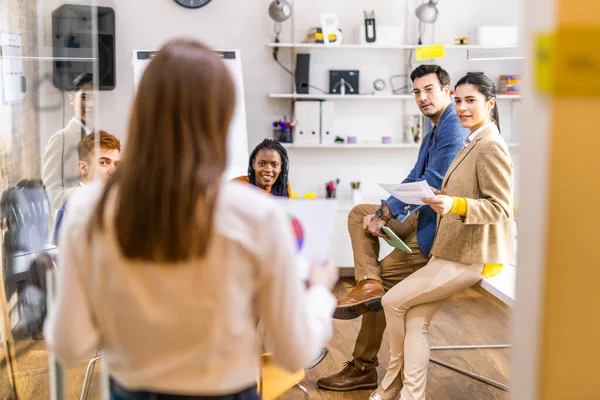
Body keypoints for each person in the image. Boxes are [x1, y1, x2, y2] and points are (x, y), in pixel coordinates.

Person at [44, 38, 338, 399]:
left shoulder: (89, 209)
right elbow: (293, 351)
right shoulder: (257, 214)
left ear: (142, 112)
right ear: (224, 118)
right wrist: (321, 292)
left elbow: (70, 345)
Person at [317, 65, 467, 391]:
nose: (422, 97)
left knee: (384, 287)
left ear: (447, 91)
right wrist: (382, 211)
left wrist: (386, 213)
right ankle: (367, 282)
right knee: (360, 214)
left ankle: (362, 366)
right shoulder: (433, 131)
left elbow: (433, 182)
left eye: (429, 89)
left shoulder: (453, 126)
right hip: (421, 215)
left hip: (438, 230)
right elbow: (414, 177)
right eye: (416, 92)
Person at [370, 73, 514, 400]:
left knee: (393, 301)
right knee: (416, 319)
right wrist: (441, 195)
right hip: (452, 250)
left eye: (470, 101)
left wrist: (454, 203)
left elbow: (501, 208)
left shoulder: (491, 145)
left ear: (490, 104)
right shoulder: (471, 139)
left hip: (472, 255)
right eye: (459, 100)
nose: (461, 108)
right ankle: (411, 395)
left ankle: (388, 387)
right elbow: (466, 192)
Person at [42, 72, 95, 224]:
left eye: (94, 98)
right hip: (71, 228)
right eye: (84, 97)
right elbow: (51, 194)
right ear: (71, 99)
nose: (90, 104)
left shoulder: (100, 138)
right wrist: (86, 193)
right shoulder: (60, 139)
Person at [52, 130, 121, 244]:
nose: (113, 170)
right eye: (103, 162)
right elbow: (62, 259)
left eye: (116, 164)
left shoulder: (116, 205)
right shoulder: (69, 212)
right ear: (83, 167)